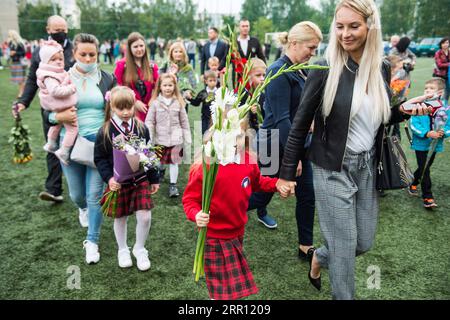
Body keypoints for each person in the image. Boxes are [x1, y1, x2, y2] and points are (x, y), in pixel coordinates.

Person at [277, 0, 433, 300]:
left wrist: (406, 110)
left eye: (353, 26)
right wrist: (286, 174)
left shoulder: (382, 67)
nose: (345, 34)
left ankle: (321, 256)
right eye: (339, 26)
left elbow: (381, 116)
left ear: (370, 27)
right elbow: (299, 124)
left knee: (363, 243)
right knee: (346, 249)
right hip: (331, 167)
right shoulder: (324, 67)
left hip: (367, 166)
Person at [182, 119, 284, 300]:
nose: (233, 141)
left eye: (238, 135)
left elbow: (258, 183)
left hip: (237, 232)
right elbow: (190, 199)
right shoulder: (204, 166)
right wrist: (196, 214)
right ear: (216, 135)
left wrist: (277, 184)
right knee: (220, 289)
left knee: (230, 286)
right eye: (228, 135)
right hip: (213, 235)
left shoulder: (248, 161)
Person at [248, 21, 322, 243]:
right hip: (272, 143)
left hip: (297, 142)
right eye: (311, 47)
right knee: (262, 194)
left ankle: (305, 246)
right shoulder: (278, 70)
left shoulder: (302, 69)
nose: (313, 53)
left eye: (315, 48)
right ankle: (221, 212)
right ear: (294, 43)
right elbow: (282, 120)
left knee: (307, 195)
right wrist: (294, 156)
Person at [47, 33, 116, 263]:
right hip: (71, 143)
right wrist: (57, 116)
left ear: (98, 53)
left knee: (95, 195)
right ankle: (81, 208)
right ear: (74, 54)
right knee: (77, 194)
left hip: (99, 144)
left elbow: (116, 109)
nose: (88, 58)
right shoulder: (61, 78)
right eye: (83, 54)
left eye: (92, 54)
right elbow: (47, 113)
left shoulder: (108, 78)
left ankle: (92, 241)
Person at [94, 86, 160, 271]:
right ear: (112, 108)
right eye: (120, 108)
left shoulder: (141, 127)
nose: (125, 112)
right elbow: (99, 158)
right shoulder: (105, 131)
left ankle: (140, 248)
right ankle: (122, 249)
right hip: (118, 183)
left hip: (140, 180)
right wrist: (108, 179)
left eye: (129, 107)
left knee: (145, 217)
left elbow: (148, 153)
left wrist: (154, 178)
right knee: (120, 217)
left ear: (134, 105)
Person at [13, 15, 75, 203]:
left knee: (77, 144)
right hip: (51, 109)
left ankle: (83, 191)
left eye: (63, 29)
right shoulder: (41, 51)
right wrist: (23, 101)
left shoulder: (75, 49)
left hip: (73, 106)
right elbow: (32, 78)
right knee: (53, 145)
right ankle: (54, 189)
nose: (60, 33)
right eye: (56, 30)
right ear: (48, 30)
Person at [145, 73, 192, 198]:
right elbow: (149, 121)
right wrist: (149, 135)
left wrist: (187, 135)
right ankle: (160, 172)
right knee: (159, 161)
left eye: (170, 85)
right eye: (165, 85)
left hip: (176, 139)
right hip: (160, 139)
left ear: (174, 86)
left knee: (174, 162)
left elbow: (184, 121)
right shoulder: (155, 103)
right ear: (160, 87)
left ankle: (173, 185)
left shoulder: (179, 102)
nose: (167, 88)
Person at [408, 78, 449, 209]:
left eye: (431, 89)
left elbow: (448, 125)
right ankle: (428, 197)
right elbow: (413, 125)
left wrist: (444, 132)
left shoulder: (445, 108)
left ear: (440, 92)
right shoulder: (420, 105)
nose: (428, 91)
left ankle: (413, 182)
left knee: (424, 167)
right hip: (421, 143)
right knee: (425, 169)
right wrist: (426, 133)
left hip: (435, 145)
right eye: (426, 89)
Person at [36, 40, 78, 165]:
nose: (58, 61)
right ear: (45, 61)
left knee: (57, 125)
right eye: (53, 59)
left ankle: (51, 143)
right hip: (60, 105)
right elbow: (55, 91)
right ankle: (64, 150)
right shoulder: (49, 76)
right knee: (73, 128)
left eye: (60, 58)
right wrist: (71, 88)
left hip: (57, 107)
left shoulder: (54, 73)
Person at [114, 32, 159, 122]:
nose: (139, 49)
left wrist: (153, 98)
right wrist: (134, 101)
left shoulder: (152, 66)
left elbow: (158, 85)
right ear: (129, 48)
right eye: (135, 47)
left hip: (149, 111)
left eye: (141, 46)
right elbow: (116, 87)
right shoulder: (121, 65)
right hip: (129, 111)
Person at [189, 70, 219, 135]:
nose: (213, 82)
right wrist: (190, 99)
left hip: (216, 117)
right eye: (210, 80)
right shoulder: (203, 93)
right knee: (205, 134)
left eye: (214, 80)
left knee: (215, 134)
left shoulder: (219, 92)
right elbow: (196, 103)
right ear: (206, 81)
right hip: (205, 118)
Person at [8, 30, 27, 98]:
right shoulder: (10, 43)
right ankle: (22, 91)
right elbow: (11, 54)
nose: (9, 36)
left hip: (20, 62)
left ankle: (21, 93)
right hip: (14, 62)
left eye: (10, 35)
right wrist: (11, 55)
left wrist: (15, 53)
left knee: (20, 79)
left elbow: (24, 53)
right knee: (19, 79)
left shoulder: (19, 43)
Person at [433, 38, 450, 102]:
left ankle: (444, 106)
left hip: (448, 76)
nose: (446, 44)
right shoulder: (438, 53)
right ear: (441, 44)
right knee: (438, 92)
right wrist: (449, 64)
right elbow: (439, 65)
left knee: (447, 92)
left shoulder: (449, 52)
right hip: (439, 75)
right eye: (444, 43)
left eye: (447, 43)